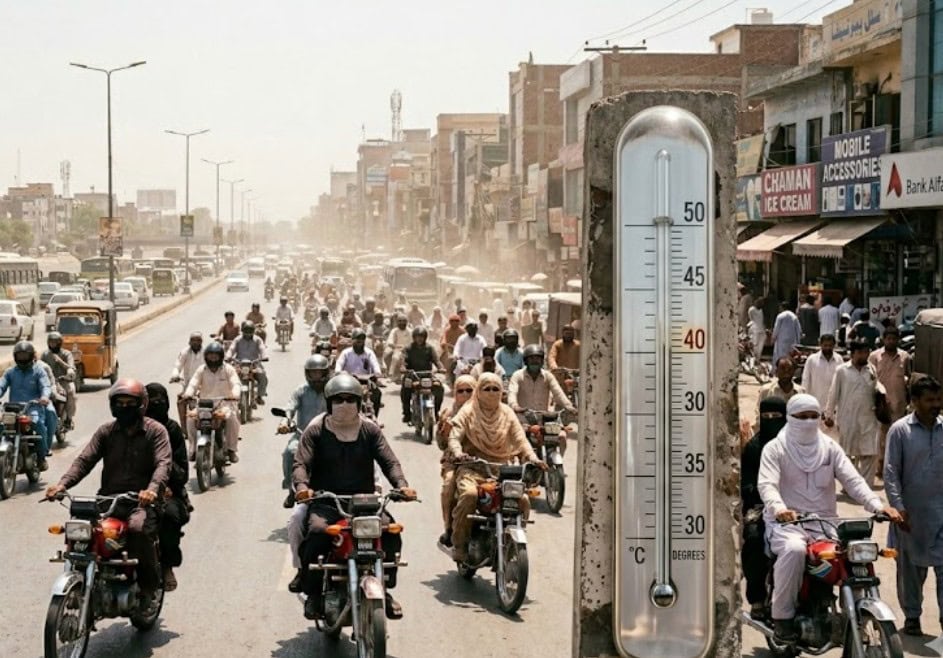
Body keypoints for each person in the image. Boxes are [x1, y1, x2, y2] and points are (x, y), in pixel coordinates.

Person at [758, 394, 900, 643]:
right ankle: (783, 618)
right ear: (790, 418)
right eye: (802, 417)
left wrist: (878, 506)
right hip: (788, 524)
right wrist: (779, 508)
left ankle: (852, 613)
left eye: (813, 416)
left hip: (826, 524)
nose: (808, 422)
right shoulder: (775, 448)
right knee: (794, 550)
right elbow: (767, 484)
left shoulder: (829, 447)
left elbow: (853, 480)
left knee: (851, 554)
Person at [291, 373, 417, 619]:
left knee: (391, 532)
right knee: (316, 534)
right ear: (329, 403)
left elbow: (389, 460)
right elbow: (301, 463)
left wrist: (401, 484)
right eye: (339, 400)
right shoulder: (316, 429)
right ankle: (314, 594)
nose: (345, 405)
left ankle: (384, 589)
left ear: (359, 402)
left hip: (365, 503)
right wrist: (302, 487)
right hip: (326, 502)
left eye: (350, 400)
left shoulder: (369, 429)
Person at [45, 379, 173, 601]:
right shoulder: (106, 431)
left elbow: (163, 464)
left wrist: (152, 490)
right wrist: (62, 485)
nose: (124, 407)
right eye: (119, 402)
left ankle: (147, 589)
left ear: (141, 404)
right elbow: (85, 460)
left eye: (129, 402)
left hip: (142, 503)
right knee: (82, 530)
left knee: (138, 529)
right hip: (109, 501)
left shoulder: (156, 431)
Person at [445, 372, 547, 561]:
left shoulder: (507, 412)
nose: (491, 393)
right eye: (487, 389)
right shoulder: (468, 411)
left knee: (523, 500)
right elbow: (454, 435)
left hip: (503, 471)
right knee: (469, 495)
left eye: (496, 389)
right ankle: (459, 543)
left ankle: (513, 541)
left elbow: (521, 439)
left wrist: (533, 458)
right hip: (474, 468)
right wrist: (458, 452)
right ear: (479, 391)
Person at [884, 376, 943, 636]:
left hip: (941, 514)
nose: (936, 405)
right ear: (915, 401)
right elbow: (890, 471)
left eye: (938, 399)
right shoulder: (900, 431)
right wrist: (897, 507)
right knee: (910, 571)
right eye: (929, 400)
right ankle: (912, 616)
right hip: (911, 516)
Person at [741, 396, 787, 620]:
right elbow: (746, 483)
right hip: (761, 506)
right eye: (766, 417)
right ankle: (757, 598)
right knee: (753, 540)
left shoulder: (793, 445)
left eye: (776, 417)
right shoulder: (753, 448)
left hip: (793, 506)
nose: (771, 421)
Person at [144, 382, 191, 592]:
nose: (155, 404)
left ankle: (167, 566)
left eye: (160, 400)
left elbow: (182, 470)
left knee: (170, 516)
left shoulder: (172, 429)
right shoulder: (133, 427)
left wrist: (165, 482)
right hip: (135, 489)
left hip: (168, 489)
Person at [280, 355, 330, 534]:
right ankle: (291, 489)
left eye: (319, 373)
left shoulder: (331, 390)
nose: (316, 377)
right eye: (313, 373)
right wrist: (286, 422)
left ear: (326, 373)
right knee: (288, 452)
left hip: (329, 435)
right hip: (302, 435)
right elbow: (290, 407)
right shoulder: (301, 390)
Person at [824, 340, 884, 487]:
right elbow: (833, 393)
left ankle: (865, 486)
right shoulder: (842, 370)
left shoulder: (871, 369)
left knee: (869, 452)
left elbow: (877, 387)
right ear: (853, 354)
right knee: (847, 454)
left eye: (866, 352)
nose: (864, 355)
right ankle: (850, 485)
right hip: (848, 419)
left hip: (868, 418)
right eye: (861, 352)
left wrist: (882, 393)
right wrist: (829, 414)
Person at [508, 344, 577, 453]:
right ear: (526, 361)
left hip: (544, 420)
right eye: (531, 358)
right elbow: (512, 393)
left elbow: (558, 393)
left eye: (538, 358)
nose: (535, 361)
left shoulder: (548, 376)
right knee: (515, 445)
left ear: (542, 361)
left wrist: (570, 408)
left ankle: (556, 463)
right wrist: (515, 406)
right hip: (523, 421)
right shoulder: (517, 376)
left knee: (561, 437)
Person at [183, 342, 242, 464]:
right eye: (210, 356)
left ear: (221, 356)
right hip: (204, 405)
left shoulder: (228, 369)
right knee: (190, 418)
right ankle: (193, 448)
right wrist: (188, 393)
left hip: (224, 404)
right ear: (206, 357)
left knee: (232, 419)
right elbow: (193, 383)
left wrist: (235, 394)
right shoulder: (201, 369)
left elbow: (235, 383)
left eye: (215, 356)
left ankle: (231, 450)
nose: (213, 359)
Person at [436, 375, 475, 546]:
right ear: (455, 393)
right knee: (448, 487)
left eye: (469, 390)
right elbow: (441, 444)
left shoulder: (484, 411)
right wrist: (444, 431)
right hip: (454, 461)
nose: (465, 394)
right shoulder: (447, 413)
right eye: (461, 391)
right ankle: (449, 528)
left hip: (479, 461)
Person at [0, 341, 50, 469]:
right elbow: (1, 385)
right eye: (20, 355)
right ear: (15, 356)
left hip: (33, 409)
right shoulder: (10, 372)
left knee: (39, 425)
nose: (22, 358)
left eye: (25, 355)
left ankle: (41, 457)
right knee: (1, 426)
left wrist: (44, 397)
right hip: (13, 410)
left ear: (32, 356)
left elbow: (45, 386)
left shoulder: (39, 371)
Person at [870, 326, 911, 470]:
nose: (891, 341)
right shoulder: (875, 356)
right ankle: (880, 466)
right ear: (884, 340)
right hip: (880, 404)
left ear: (898, 340)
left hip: (899, 403)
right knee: (880, 437)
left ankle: (894, 466)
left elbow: (909, 379)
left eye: (894, 339)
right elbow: (870, 379)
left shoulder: (905, 357)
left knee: (897, 436)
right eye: (888, 339)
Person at [400, 326, 445, 423]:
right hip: (412, 375)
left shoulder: (429, 348)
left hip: (427, 375)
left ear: (425, 337)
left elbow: (437, 360)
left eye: (422, 336)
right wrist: (403, 368)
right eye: (417, 336)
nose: (419, 338)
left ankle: (436, 411)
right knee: (405, 388)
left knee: (439, 388)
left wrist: (441, 368)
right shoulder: (408, 348)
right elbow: (403, 361)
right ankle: (407, 413)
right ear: (414, 337)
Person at [334, 329, 383, 415]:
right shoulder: (346, 353)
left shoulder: (369, 353)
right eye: (357, 338)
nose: (360, 341)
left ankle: (374, 419)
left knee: (377, 394)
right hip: (348, 382)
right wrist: (339, 372)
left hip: (366, 382)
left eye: (362, 338)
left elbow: (375, 365)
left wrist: (377, 373)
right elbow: (339, 365)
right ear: (352, 340)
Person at [226, 321, 268, 405]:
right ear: (242, 330)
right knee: (229, 377)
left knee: (263, 376)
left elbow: (262, 348)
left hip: (254, 364)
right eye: (246, 330)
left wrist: (264, 356)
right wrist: (228, 356)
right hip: (239, 364)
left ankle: (259, 396)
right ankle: (230, 396)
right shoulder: (237, 339)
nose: (248, 333)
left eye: (250, 331)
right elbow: (232, 348)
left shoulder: (257, 339)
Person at [754, 357, 805, 428]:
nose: (786, 373)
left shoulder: (801, 391)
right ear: (776, 371)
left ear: (794, 372)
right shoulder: (766, 390)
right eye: (783, 369)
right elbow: (759, 414)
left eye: (789, 369)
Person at [41, 331, 76, 430]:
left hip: (64, 381)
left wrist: (60, 362)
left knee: (71, 392)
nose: (52, 344)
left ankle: (69, 418)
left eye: (54, 342)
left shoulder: (66, 354)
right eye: (50, 342)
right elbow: (39, 367)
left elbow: (71, 368)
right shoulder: (45, 355)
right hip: (49, 382)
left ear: (59, 343)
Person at [170, 332, 204, 424]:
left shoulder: (206, 353)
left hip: (203, 384)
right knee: (181, 401)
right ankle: (183, 427)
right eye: (193, 340)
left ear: (201, 342)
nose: (196, 343)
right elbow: (178, 365)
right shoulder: (185, 352)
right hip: (188, 384)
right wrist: (175, 375)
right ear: (189, 342)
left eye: (198, 340)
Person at [800, 334, 841, 411]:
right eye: (825, 345)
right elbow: (805, 381)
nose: (828, 348)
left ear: (834, 345)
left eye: (830, 345)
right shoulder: (812, 360)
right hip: (815, 405)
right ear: (820, 344)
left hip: (834, 407)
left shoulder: (839, 360)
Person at [771, 302, 802, 366]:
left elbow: (776, 328)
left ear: (782, 307)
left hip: (781, 340)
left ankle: (780, 369)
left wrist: (773, 338)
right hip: (792, 340)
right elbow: (798, 329)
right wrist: (798, 341)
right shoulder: (794, 316)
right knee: (790, 356)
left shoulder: (780, 316)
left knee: (780, 356)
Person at [748, 297, 767, 362]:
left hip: (760, 329)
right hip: (755, 329)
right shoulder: (752, 309)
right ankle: (754, 359)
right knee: (755, 345)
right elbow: (751, 318)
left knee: (759, 345)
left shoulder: (761, 310)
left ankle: (757, 359)